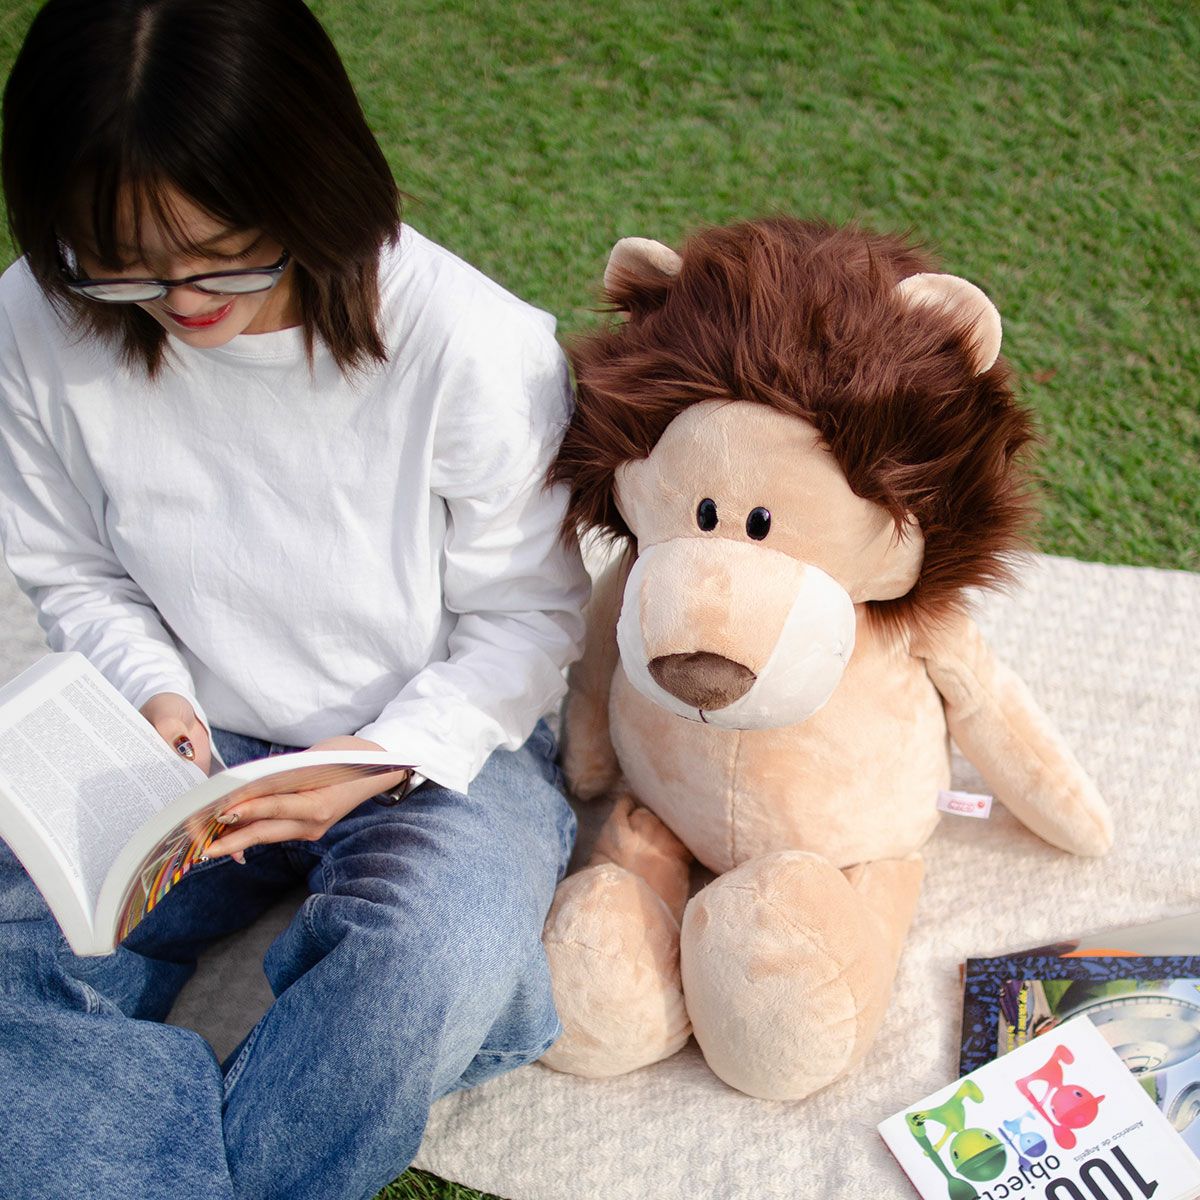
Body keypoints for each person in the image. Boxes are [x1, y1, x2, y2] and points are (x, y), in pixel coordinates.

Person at [0, 1, 589, 1197]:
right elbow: (72, 569)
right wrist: (154, 694)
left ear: (318, 183)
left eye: (228, 252)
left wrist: (380, 756)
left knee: (430, 956)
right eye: (119, 266)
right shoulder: (37, 314)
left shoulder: (471, 345)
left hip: (430, 741)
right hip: (181, 738)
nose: (183, 303)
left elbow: (530, 617)